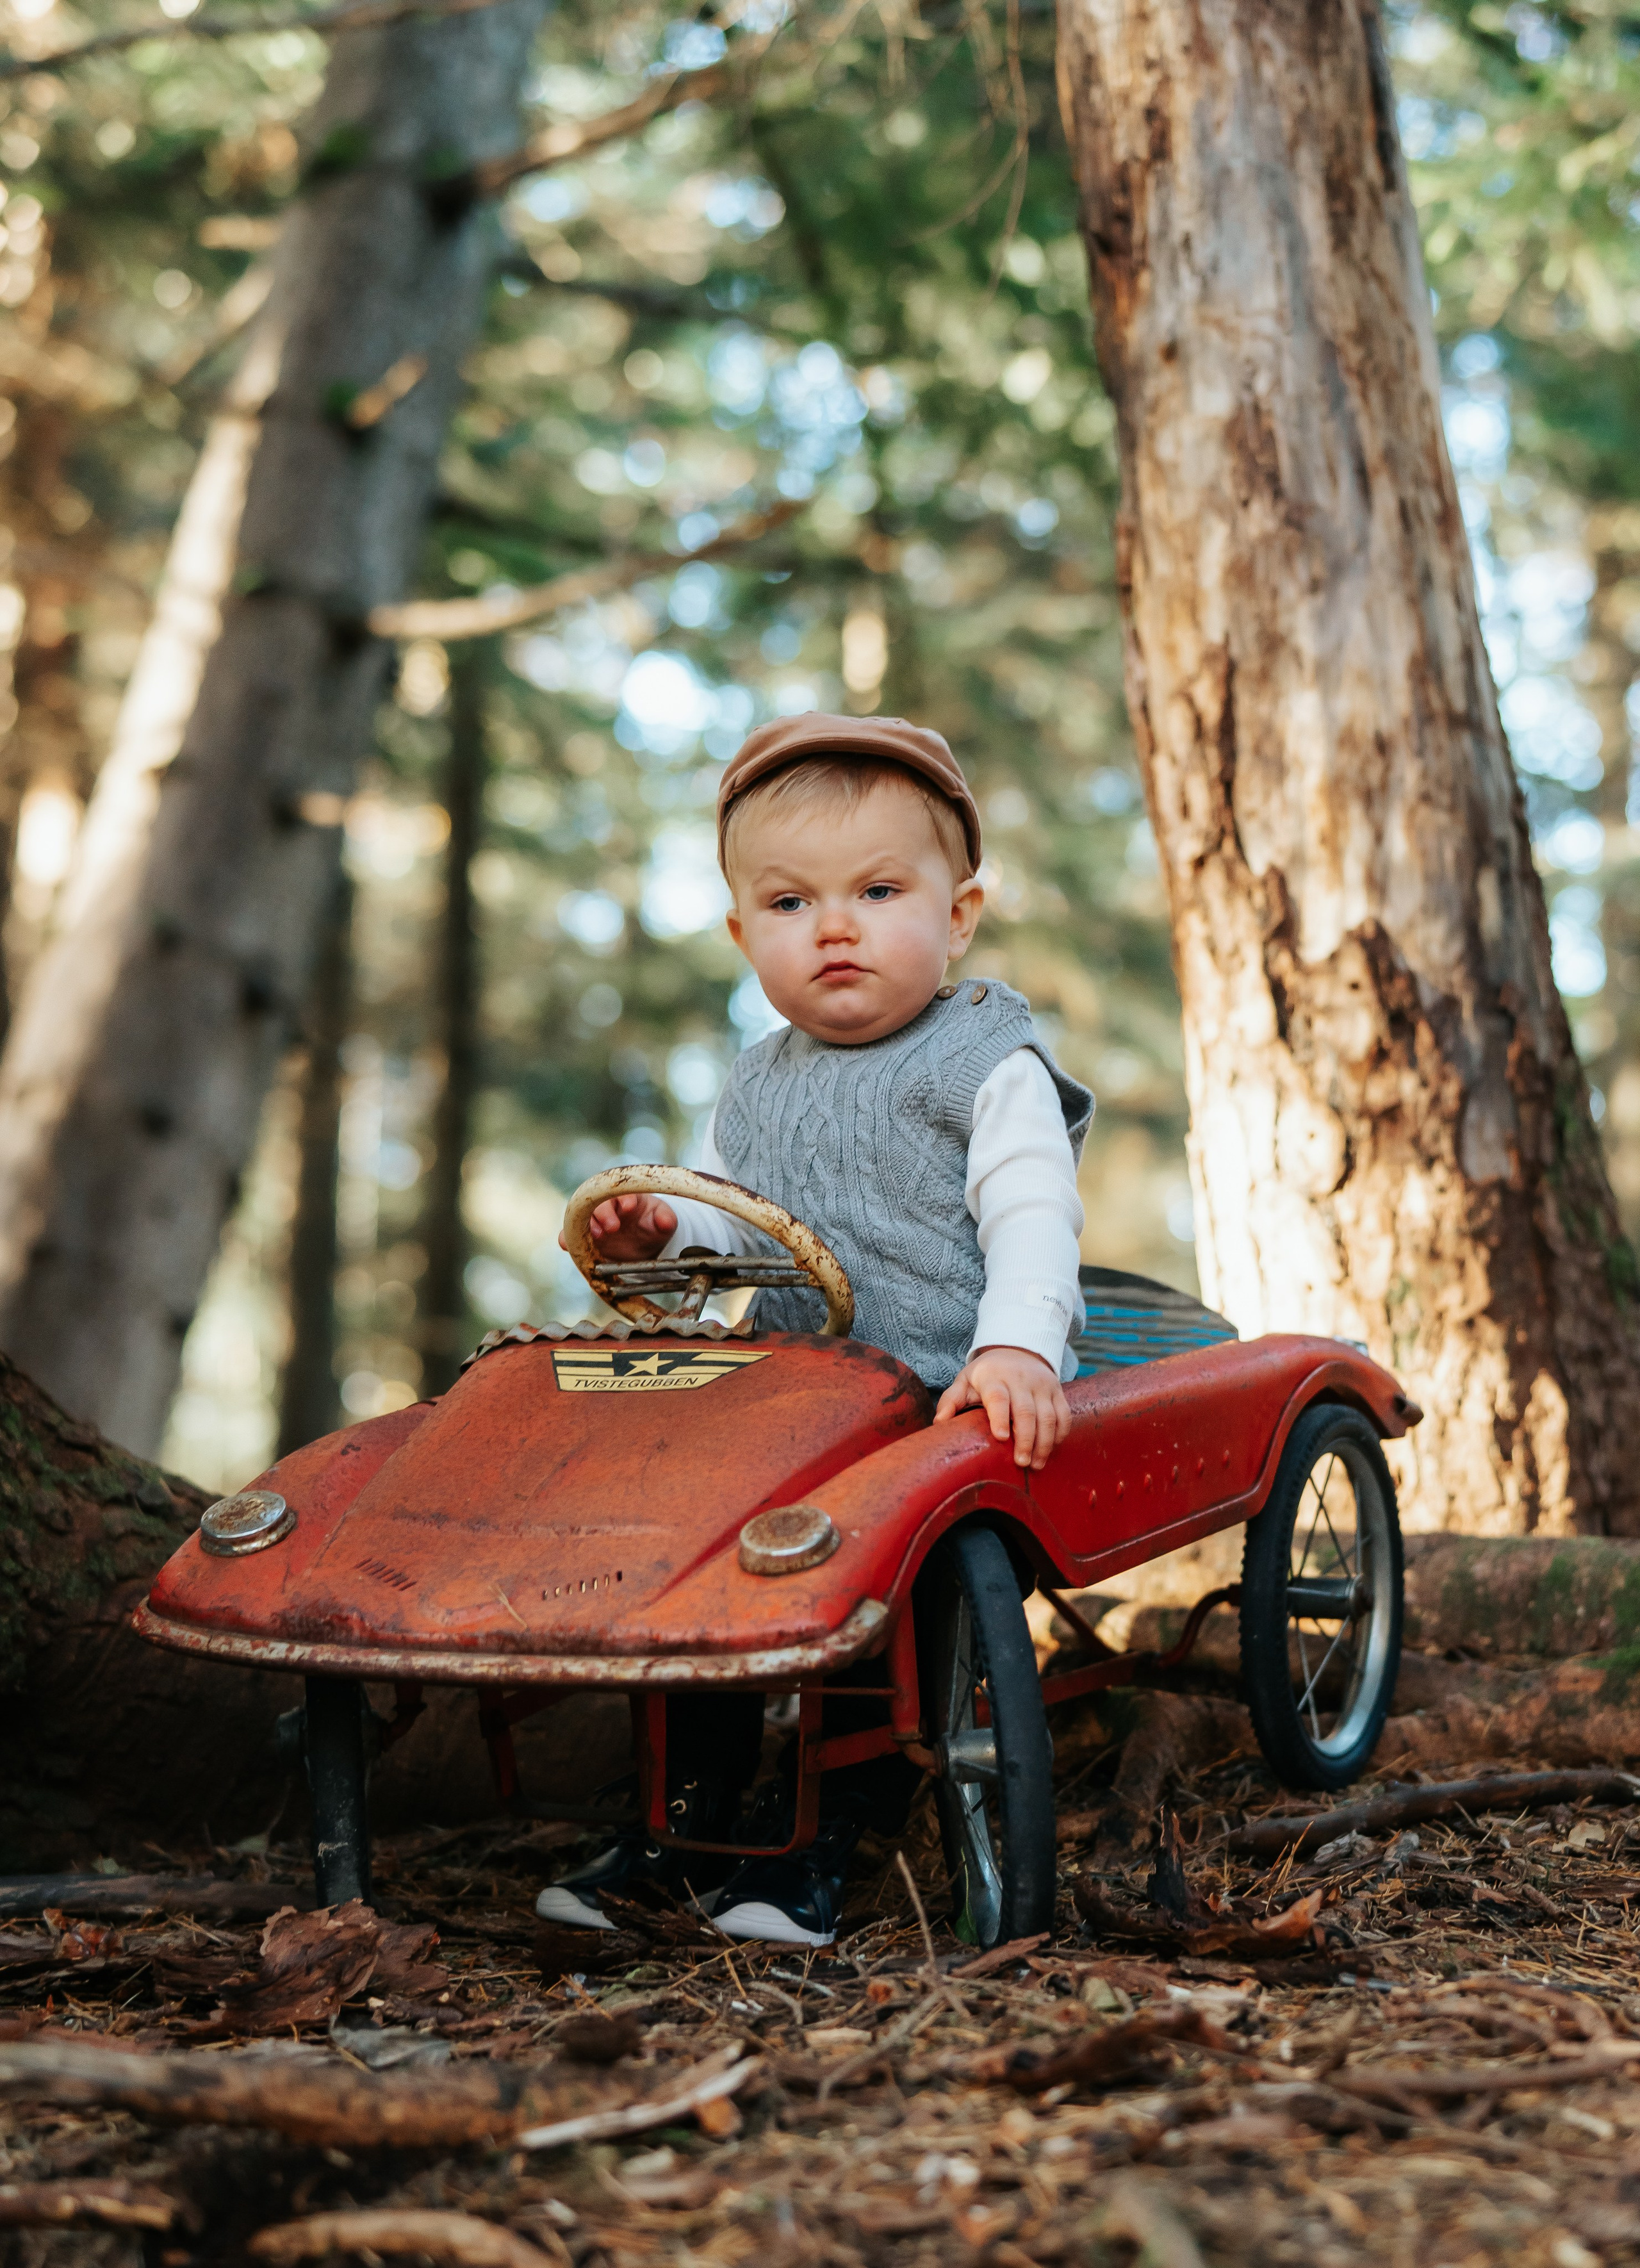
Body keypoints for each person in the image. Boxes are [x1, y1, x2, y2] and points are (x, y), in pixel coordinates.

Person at [537, 712, 1093, 1948]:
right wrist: (654, 1242)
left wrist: (1016, 1347)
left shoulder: (985, 1061)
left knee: (881, 1598)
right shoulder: (757, 1080)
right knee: (693, 1574)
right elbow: (731, 1229)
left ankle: (826, 1841)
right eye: (788, 904)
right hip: (791, 1400)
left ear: (959, 914)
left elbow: (1034, 1215)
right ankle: (678, 1822)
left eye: (879, 890)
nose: (833, 926)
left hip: (939, 1391)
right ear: (743, 934)